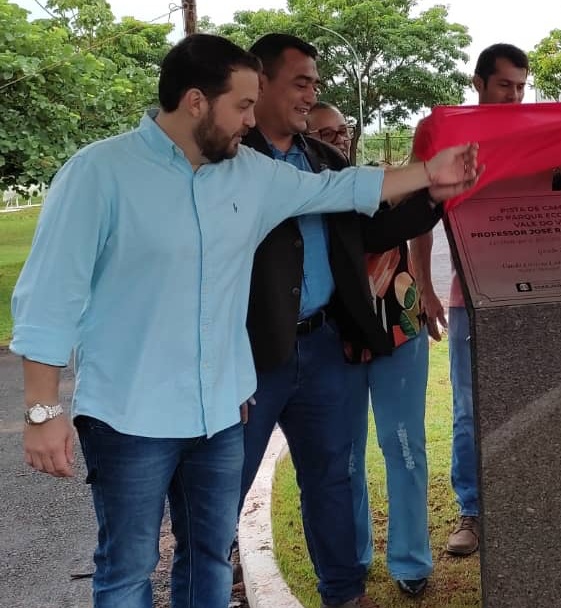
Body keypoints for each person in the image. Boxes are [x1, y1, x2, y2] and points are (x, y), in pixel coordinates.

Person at [12, 33, 477, 608]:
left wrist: (430, 173)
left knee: (208, 555)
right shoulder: (100, 173)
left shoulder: (249, 174)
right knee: (129, 566)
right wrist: (41, 410)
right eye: (242, 105)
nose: (251, 119)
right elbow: (48, 297)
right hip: (129, 415)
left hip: (220, 410)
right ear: (196, 101)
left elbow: (341, 187)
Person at [236, 34, 447, 608]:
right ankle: (203, 583)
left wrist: (436, 194)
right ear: (261, 81)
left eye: (316, 82)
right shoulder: (232, 157)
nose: (312, 94)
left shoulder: (321, 158)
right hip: (251, 357)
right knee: (223, 485)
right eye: (301, 81)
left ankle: (344, 593)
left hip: (326, 346)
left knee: (333, 478)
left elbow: (370, 233)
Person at [410, 42, 561, 557]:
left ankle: (535, 498)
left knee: (544, 396)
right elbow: (420, 215)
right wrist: (426, 287)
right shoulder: (450, 134)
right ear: (478, 83)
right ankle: (474, 513)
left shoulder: (538, 130)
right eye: (505, 85)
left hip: (539, 295)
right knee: (469, 408)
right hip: (469, 297)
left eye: (523, 87)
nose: (516, 95)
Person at [306, 101, 436, 596]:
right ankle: (352, 556)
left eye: (342, 131)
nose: (338, 140)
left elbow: (417, 218)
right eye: (324, 133)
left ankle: (410, 562)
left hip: (400, 329)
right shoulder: (301, 193)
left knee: (404, 447)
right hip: (334, 339)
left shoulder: (383, 181)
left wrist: (424, 285)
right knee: (344, 458)